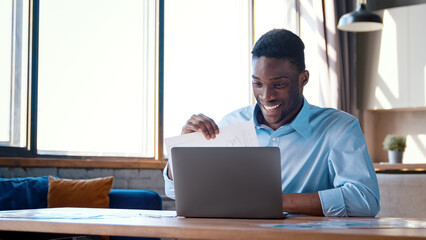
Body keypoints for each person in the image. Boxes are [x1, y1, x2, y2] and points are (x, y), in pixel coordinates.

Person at [163, 29, 380, 217]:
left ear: (303, 79)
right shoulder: (230, 124)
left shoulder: (340, 128)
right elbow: (174, 192)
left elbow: (365, 199)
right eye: (257, 84)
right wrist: (181, 151)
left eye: (279, 85)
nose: (266, 96)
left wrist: (273, 201)